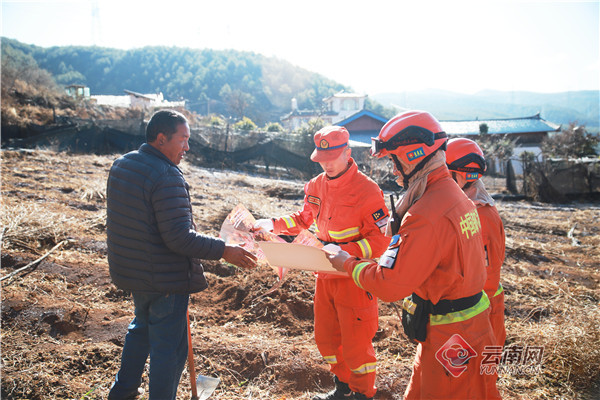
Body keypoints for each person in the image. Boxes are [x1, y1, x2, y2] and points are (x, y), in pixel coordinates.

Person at [328, 111, 501, 399]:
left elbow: (389, 284)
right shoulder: (456, 197)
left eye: (393, 161)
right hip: (462, 332)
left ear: (412, 156)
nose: (393, 170)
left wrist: (347, 264)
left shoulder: (427, 213)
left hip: (452, 344)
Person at [106, 109, 257, 400]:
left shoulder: (123, 165)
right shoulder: (165, 175)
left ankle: (122, 392)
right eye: (183, 140)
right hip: (165, 279)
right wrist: (225, 250)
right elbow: (179, 237)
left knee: (141, 330)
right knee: (170, 349)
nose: (187, 147)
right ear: (161, 139)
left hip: (134, 272)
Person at [254, 126, 389, 400]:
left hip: (354, 276)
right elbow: (304, 219)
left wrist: (345, 253)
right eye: (322, 159)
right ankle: (342, 389)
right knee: (327, 338)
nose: (326, 164)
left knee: (356, 343)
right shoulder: (315, 185)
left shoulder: (368, 190)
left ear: (348, 153)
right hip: (324, 275)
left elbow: (380, 240)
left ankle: (362, 394)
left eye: (332, 157)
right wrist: (273, 224)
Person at [446, 138, 506, 347]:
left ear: (461, 176)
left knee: (480, 375)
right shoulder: (473, 205)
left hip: (478, 316)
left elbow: (480, 272)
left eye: (445, 173)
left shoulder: (478, 214)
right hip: (476, 313)